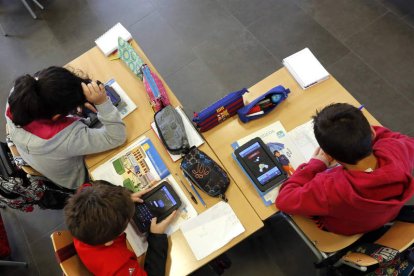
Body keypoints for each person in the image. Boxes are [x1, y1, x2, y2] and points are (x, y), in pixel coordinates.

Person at [276, 103, 414, 235]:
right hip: (385, 216)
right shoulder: (398, 150)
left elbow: (284, 200)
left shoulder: (329, 187)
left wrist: (316, 165)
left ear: (329, 155)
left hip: (343, 228)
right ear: (372, 133)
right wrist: (361, 134)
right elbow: (398, 138)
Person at [5, 66, 126, 189]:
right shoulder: (67, 138)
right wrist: (102, 103)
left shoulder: (19, 95)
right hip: (78, 179)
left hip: (37, 157)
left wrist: (74, 99)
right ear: (57, 116)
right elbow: (115, 138)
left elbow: (44, 84)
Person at [64, 180, 177, 276]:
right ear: (109, 242)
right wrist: (156, 237)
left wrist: (125, 198)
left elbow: (89, 185)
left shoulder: (82, 200)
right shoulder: (118, 266)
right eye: (127, 221)